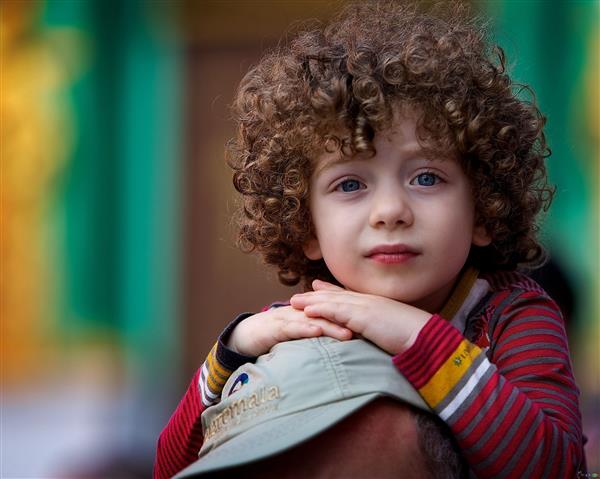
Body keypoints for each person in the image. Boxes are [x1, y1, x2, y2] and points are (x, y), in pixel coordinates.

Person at [154, 1, 586, 477]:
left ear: (483, 207)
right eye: (350, 185)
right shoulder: (301, 326)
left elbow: (554, 465)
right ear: (306, 226)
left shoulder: (512, 316)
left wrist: (414, 335)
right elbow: (171, 466)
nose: (390, 212)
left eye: (426, 178)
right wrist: (230, 350)